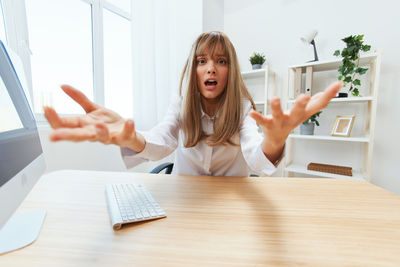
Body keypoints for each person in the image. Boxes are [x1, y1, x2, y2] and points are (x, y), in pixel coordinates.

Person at [44, 31, 341, 176]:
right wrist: (134, 138)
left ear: (230, 70)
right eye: (202, 61)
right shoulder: (181, 104)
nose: (211, 68)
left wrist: (274, 141)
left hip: (232, 205)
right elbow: (162, 138)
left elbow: (254, 153)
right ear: (194, 70)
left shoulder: (242, 108)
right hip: (184, 200)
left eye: (220, 61)